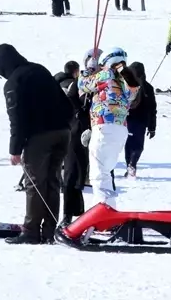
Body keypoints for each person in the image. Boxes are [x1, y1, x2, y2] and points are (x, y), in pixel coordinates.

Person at [0, 43, 74, 245]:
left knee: (34, 183)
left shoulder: (13, 83)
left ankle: (31, 231)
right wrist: (66, 125)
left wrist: (15, 150)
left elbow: (16, 119)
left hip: (39, 137)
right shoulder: (40, 69)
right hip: (63, 132)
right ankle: (50, 230)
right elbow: (65, 102)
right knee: (53, 181)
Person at [77, 48, 134, 206]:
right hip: (120, 128)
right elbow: (132, 93)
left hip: (104, 125)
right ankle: (109, 207)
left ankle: (103, 211)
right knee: (105, 171)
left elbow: (83, 84)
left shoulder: (106, 74)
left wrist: (89, 68)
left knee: (98, 174)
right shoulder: (125, 78)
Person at [55, 61, 89, 223]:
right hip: (75, 132)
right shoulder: (76, 85)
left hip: (60, 131)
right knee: (73, 173)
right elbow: (75, 103)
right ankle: (68, 216)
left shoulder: (55, 84)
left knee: (76, 173)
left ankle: (77, 212)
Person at [124, 61, 157, 176]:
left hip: (127, 120)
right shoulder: (148, 88)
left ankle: (129, 165)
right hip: (141, 122)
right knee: (138, 145)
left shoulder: (127, 85)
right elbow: (153, 109)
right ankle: (132, 164)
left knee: (128, 144)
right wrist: (152, 127)